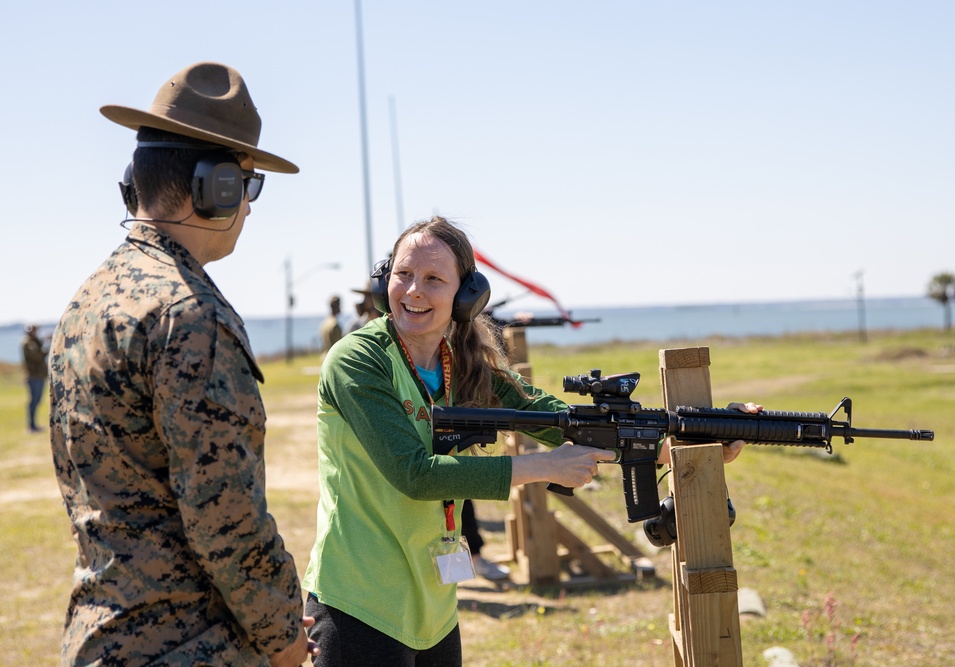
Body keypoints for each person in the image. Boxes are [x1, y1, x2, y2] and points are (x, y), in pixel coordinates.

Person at [301, 216, 755, 665]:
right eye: (403, 274)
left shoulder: (462, 361)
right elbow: (414, 474)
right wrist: (545, 468)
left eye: (434, 279)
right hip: (359, 600)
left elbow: (554, 418)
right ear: (385, 281)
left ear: (465, 296)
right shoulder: (356, 360)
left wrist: (676, 445)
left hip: (430, 606)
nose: (414, 290)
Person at [47, 62, 317, 667]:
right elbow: (226, 519)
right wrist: (283, 634)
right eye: (248, 186)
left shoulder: (87, 300)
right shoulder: (191, 314)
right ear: (216, 187)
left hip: (100, 639)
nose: (249, 207)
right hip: (191, 646)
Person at [21, 323, 48, 433]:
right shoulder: (28, 343)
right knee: (34, 401)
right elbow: (37, 356)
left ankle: (33, 425)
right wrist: (46, 347)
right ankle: (31, 425)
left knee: (37, 400)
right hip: (34, 376)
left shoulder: (35, 341)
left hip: (38, 375)